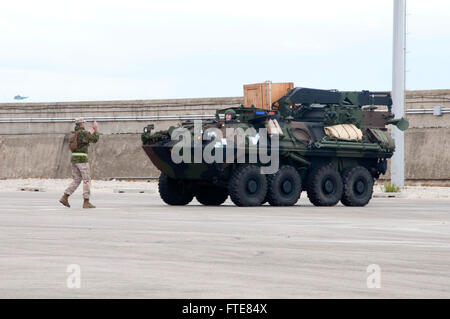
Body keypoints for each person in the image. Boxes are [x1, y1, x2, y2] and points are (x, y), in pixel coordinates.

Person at [59, 118, 99, 208]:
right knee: (86, 180)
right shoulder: (83, 133)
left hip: (74, 159)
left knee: (76, 179)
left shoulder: (73, 134)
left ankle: (65, 196)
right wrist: (96, 129)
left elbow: (85, 136)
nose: (84, 124)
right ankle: (86, 201)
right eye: (83, 123)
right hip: (82, 160)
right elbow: (95, 139)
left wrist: (91, 130)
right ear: (81, 124)